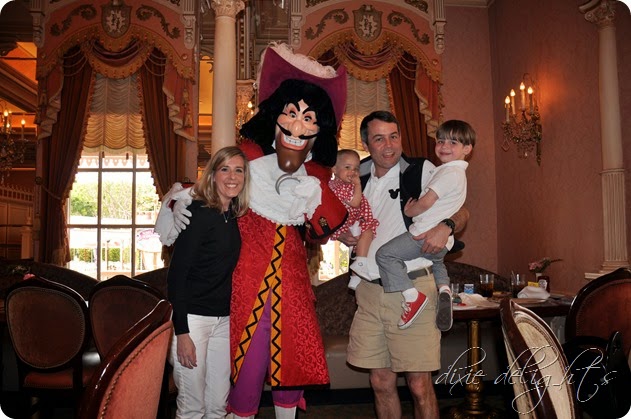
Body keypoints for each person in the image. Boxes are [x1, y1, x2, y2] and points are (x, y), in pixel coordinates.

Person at [156, 43, 348, 419]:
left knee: (291, 364)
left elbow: (324, 229)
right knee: (245, 368)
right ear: (274, 117)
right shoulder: (248, 166)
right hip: (241, 290)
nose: (297, 125)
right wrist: (179, 202)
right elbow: (209, 190)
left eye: (309, 118)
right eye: (290, 113)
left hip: (292, 287)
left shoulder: (315, 182)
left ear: (319, 129)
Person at [337, 111, 469, 419]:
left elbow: (463, 210)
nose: (389, 145)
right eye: (379, 138)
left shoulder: (422, 170)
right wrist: (342, 232)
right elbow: (331, 213)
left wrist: (447, 226)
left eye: (394, 136)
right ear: (365, 143)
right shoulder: (355, 174)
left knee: (419, 385)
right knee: (380, 381)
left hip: (414, 287)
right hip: (369, 291)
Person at [167, 146, 250, 419]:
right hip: (193, 322)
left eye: (238, 170)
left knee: (217, 406)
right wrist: (182, 333)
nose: (232, 176)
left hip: (223, 321)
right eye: (225, 169)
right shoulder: (199, 213)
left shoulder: (234, 214)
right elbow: (176, 275)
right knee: (193, 407)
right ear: (213, 175)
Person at [376, 119, 476, 331]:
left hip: (423, 235)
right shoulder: (456, 172)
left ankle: (412, 297)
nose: (444, 146)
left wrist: (411, 211)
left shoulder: (444, 171)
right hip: (440, 245)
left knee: (385, 255)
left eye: (453, 142)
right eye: (440, 141)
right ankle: (445, 291)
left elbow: (429, 201)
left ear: (467, 148)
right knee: (437, 263)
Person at [328, 149, 379, 290]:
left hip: (348, 222)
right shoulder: (342, 187)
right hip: (352, 220)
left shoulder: (333, 185)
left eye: (356, 168)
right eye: (347, 167)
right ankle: (360, 265)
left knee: (358, 246)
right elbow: (356, 203)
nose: (353, 172)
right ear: (334, 169)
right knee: (368, 231)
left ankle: (355, 277)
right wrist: (358, 185)